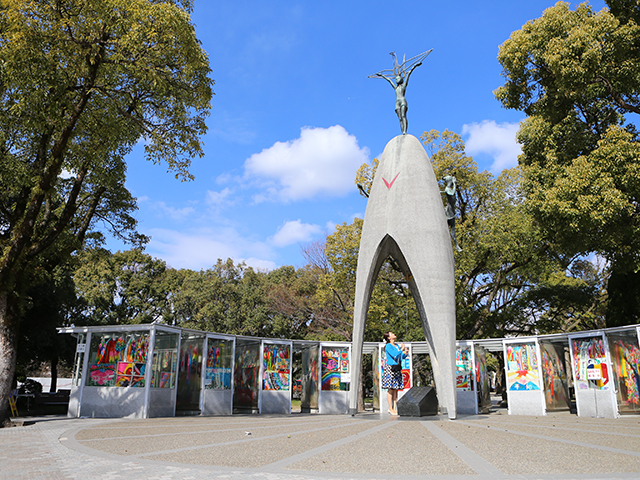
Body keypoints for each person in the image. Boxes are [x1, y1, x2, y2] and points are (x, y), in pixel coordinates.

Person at [371, 61, 422, 135]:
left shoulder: (403, 86)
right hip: (397, 103)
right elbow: (389, 80)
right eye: (396, 79)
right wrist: (382, 75)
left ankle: (405, 131)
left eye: (398, 79)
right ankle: (402, 132)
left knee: (403, 115)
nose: (396, 80)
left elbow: (409, 73)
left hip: (402, 101)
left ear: (401, 79)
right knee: (400, 118)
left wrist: (415, 66)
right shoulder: (396, 88)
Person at [382, 331, 409, 415]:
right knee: (390, 388)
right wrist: (401, 349)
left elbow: (400, 356)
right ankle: (390, 408)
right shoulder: (388, 346)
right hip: (391, 368)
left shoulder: (397, 345)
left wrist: (405, 353)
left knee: (396, 388)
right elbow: (395, 355)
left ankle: (394, 407)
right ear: (389, 338)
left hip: (397, 368)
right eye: (392, 334)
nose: (394, 334)